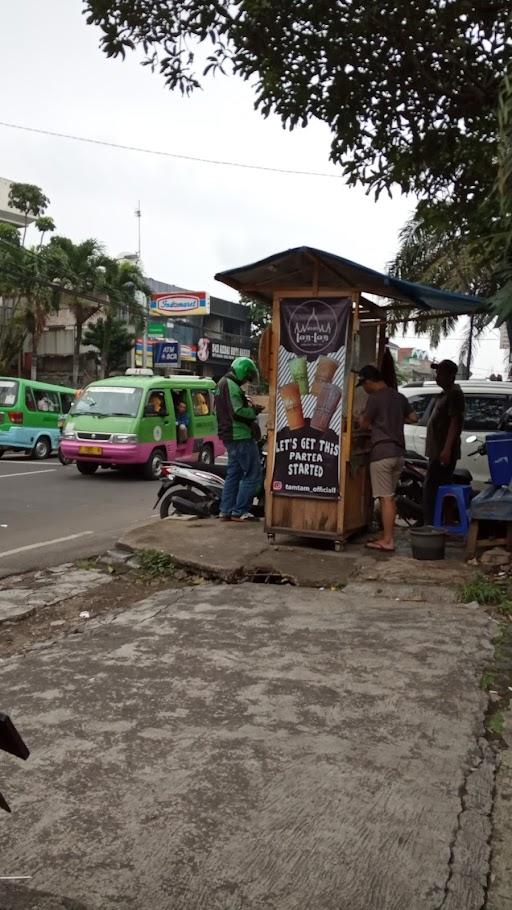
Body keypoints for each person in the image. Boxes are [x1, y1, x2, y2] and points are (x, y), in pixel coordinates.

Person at [357, 364, 417, 552]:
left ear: (368, 381)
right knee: (389, 496)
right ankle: (386, 536)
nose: (364, 389)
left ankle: (388, 540)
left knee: (385, 498)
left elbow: (364, 424)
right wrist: (397, 419)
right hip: (398, 454)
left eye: (363, 385)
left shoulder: (375, 399)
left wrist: (360, 418)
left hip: (382, 454)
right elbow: (414, 417)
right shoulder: (399, 397)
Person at [215, 356, 263, 522]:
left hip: (229, 436)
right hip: (240, 435)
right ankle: (240, 510)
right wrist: (254, 412)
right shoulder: (231, 385)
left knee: (234, 474)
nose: (246, 381)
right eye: (247, 377)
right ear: (243, 371)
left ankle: (226, 510)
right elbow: (237, 412)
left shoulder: (222, 384)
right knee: (253, 474)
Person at [423, 359, 465, 525]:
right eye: (437, 372)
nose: (437, 376)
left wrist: (446, 450)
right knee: (440, 487)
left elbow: (455, 423)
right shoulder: (444, 394)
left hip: (443, 452)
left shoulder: (455, 394)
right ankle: (443, 522)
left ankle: (431, 525)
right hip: (436, 451)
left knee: (432, 488)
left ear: (451, 376)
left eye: (440, 373)